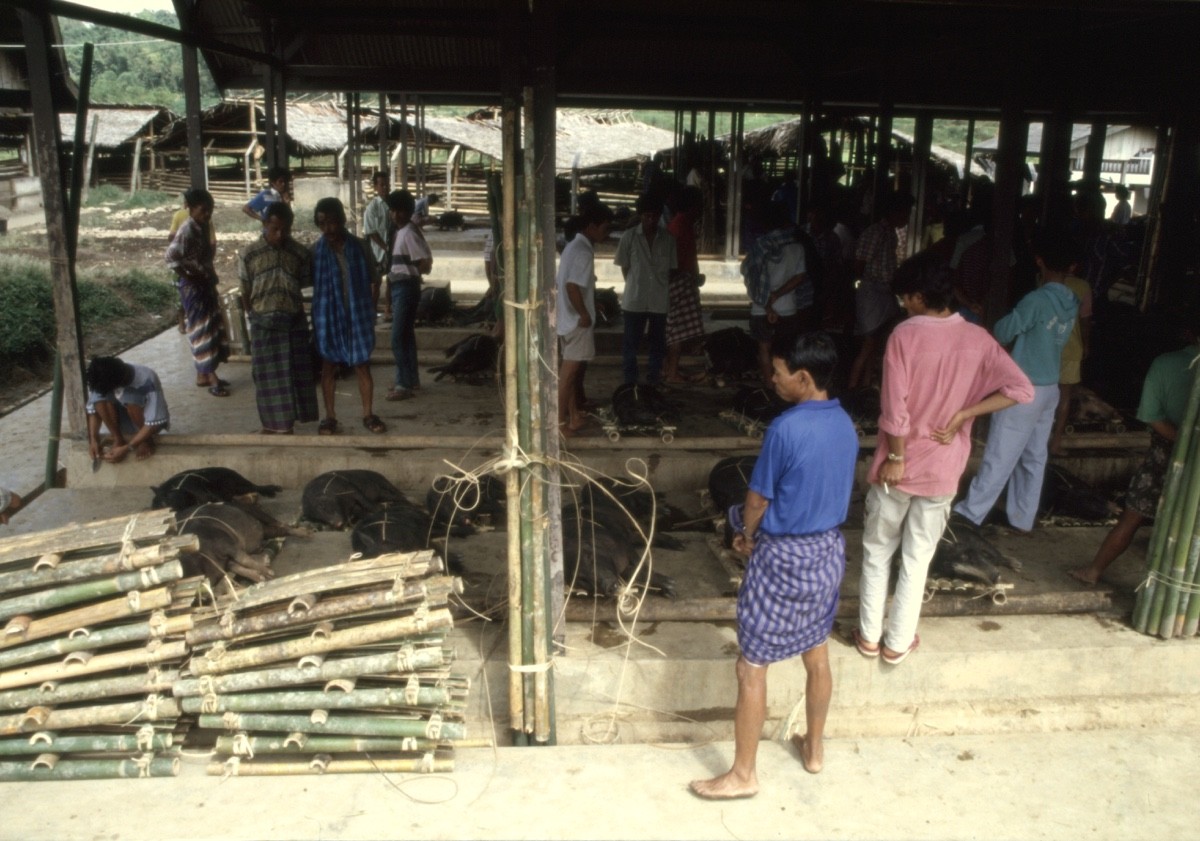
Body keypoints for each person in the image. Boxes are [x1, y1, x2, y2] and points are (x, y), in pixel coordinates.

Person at [689, 331, 858, 799]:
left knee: (752, 667)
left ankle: (743, 775)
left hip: (783, 558)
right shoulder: (845, 423)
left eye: (779, 372)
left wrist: (745, 533)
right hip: (826, 553)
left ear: (803, 378)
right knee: (817, 653)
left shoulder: (785, 428)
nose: (773, 379)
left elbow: (757, 498)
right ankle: (815, 749)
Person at [856, 254, 1033, 664]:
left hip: (898, 466)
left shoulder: (905, 334)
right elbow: (1023, 390)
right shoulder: (979, 338)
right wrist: (965, 413)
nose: (904, 305)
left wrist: (896, 455)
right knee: (918, 557)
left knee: (879, 550)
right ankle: (898, 642)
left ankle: (868, 636)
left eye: (906, 297)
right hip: (943, 466)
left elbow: (894, 406)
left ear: (919, 296)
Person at [951, 234, 1081, 534]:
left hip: (1022, 388)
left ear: (1039, 261)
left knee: (1000, 454)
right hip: (1050, 387)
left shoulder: (1036, 300)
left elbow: (1003, 331)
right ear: (1071, 267)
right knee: (1034, 456)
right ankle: (1022, 518)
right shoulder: (1071, 300)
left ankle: (969, 515)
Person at [1071, 316, 1199, 585]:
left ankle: (1093, 571)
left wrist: (1181, 441)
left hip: (1165, 453)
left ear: (1188, 333)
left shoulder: (1165, 363)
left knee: (1132, 517)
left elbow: (1151, 416)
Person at [238, 202, 320, 435]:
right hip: (263, 323)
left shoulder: (300, 253)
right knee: (267, 378)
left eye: (285, 229)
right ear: (264, 225)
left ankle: (292, 420)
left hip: (293, 322)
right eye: (274, 229)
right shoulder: (248, 254)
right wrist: (252, 317)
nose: (280, 234)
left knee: (296, 375)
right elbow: (245, 290)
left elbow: (304, 283)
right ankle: (274, 424)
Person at [310, 197, 386, 435]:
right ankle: (330, 417)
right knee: (328, 366)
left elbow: (375, 280)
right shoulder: (314, 252)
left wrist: (370, 310)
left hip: (358, 315)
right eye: (322, 224)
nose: (327, 229)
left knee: (362, 365)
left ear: (341, 221)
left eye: (331, 223)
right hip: (329, 318)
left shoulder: (360, 247)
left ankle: (368, 414)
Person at [165, 187, 230, 396]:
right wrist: (190, 276)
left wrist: (209, 274)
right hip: (193, 287)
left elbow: (204, 257)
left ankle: (203, 374)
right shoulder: (187, 229)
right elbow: (171, 258)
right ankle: (211, 377)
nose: (207, 214)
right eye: (203, 210)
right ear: (190, 208)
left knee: (210, 327)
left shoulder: (202, 226)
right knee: (201, 330)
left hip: (204, 283)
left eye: (209, 210)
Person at [847, 190, 914, 390]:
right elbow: (858, 265)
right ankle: (852, 387)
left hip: (884, 292)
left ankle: (866, 384)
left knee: (875, 343)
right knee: (868, 343)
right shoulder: (875, 233)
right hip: (871, 292)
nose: (907, 218)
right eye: (906, 213)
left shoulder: (890, 234)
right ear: (895, 212)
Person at [556, 203, 613, 436]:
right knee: (568, 376)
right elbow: (572, 287)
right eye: (605, 228)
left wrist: (590, 303)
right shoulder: (583, 251)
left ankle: (573, 417)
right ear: (592, 226)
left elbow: (574, 286)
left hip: (566, 318)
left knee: (569, 374)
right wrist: (585, 313)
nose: (607, 233)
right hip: (576, 321)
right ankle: (559, 424)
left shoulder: (573, 246)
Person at [742, 201, 813, 387]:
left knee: (764, 348)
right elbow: (800, 276)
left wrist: (767, 304)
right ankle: (785, 388)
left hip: (760, 308)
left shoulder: (761, 246)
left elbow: (752, 277)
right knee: (785, 350)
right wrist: (778, 294)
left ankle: (769, 385)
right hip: (788, 307)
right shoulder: (797, 247)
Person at [615, 193, 677, 385]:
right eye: (647, 216)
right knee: (630, 345)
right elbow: (625, 268)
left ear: (659, 216)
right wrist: (636, 284)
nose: (651, 220)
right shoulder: (629, 237)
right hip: (634, 300)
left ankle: (653, 380)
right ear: (641, 215)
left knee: (657, 345)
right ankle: (630, 382)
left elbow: (672, 270)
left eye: (654, 216)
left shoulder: (668, 240)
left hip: (659, 301)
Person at [385, 189, 433, 401]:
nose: (396, 215)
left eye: (400, 211)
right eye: (392, 210)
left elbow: (425, 262)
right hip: (400, 286)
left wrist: (414, 273)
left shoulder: (408, 233)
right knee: (406, 335)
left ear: (409, 211)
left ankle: (403, 384)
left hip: (406, 286)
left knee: (397, 337)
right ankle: (411, 379)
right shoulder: (401, 231)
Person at [85, 356, 170, 464]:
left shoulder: (147, 378)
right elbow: (94, 410)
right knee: (100, 400)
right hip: (124, 421)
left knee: (131, 399)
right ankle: (118, 438)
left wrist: (128, 448)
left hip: (148, 423)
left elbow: (153, 423)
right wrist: (93, 440)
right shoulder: (104, 375)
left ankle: (145, 440)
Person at [1048, 267, 1093, 457]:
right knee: (1064, 398)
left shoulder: (1045, 279)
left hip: (1047, 347)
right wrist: (1086, 343)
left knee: (1041, 395)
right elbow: (1085, 319)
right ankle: (1055, 443)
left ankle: (1038, 441)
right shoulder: (1082, 286)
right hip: (1071, 346)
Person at [663, 185, 706, 383]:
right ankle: (672, 373)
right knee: (677, 332)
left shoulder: (680, 224)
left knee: (675, 330)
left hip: (683, 280)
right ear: (692, 206)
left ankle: (670, 370)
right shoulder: (680, 226)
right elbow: (676, 261)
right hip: (680, 282)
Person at [362, 170, 392, 319]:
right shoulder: (372, 207)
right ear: (375, 187)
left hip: (392, 249)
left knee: (392, 281)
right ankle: (372, 310)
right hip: (376, 251)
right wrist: (385, 247)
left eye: (387, 184)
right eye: (381, 185)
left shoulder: (393, 204)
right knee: (375, 283)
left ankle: (388, 309)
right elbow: (371, 231)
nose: (385, 187)